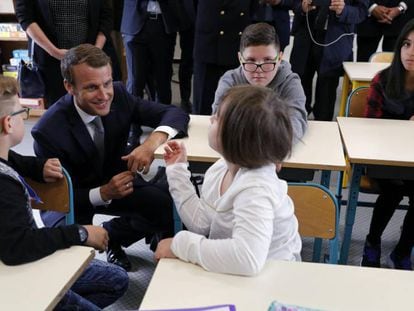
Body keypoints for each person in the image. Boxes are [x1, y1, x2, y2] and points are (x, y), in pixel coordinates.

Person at [32, 44, 190, 271]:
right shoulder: (47, 131)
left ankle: (113, 235)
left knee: (166, 207)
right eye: (92, 87)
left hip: (118, 183)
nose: (104, 94)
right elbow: (56, 196)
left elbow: (175, 113)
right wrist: (102, 193)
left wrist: (150, 144)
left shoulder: (120, 95)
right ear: (69, 87)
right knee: (70, 255)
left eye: (107, 83)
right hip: (72, 199)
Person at [0, 75, 128, 310]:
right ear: (8, 123)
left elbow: (13, 160)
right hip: (18, 278)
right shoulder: (5, 187)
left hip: (17, 266)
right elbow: (17, 248)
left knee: (115, 279)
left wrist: (38, 166)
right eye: (21, 113)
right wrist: (80, 233)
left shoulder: (6, 162)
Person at [155, 85, 302, 276]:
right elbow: (201, 223)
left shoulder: (256, 187)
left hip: (272, 278)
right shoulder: (221, 168)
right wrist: (177, 172)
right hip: (238, 273)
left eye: (217, 118)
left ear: (236, 136)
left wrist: (180, 244)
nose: (211, 119)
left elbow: (247, 259)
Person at [360, 19, 414, 270]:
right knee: (393, 188)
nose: (410, 52)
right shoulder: (382, 80)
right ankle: (372, 242)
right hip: (382, 159)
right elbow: (371, 130)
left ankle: (402, 251)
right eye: (406, 44)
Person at [212, 23, 307, 143]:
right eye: (251, 60)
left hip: (270, 154)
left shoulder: (290, 82)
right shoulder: (230, 81)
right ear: (240, 58)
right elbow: (219, 121)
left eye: (268, 60)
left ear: (280, 58)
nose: (259, 69)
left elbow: (296, 124)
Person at [14, 0, 113, 107]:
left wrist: (95, 51)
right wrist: (54, 51)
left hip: (92, 62)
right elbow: (25, 17)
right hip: (50, 61)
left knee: (98, 106)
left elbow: (106, 15)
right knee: (57, 111)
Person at [290, 0, 368, 120]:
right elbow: (292, 3)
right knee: (299, 86)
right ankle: (297, 124)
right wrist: (301, 6)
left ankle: (324, 129)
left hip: (335, 40)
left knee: (326, 95)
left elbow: (361, 12)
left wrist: (343, 10)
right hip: (305, 37)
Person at [192, 0, 255, 115]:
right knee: (203, 104)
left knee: (236, 105)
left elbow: (253, 9)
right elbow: (192, 7)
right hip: (208, 44)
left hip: (235, 45)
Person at [121, 0, 178, 104]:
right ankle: (132, 117)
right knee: (135, 80)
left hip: (163, 24)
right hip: (135, 23)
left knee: (162, 80)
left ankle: (162, 117)